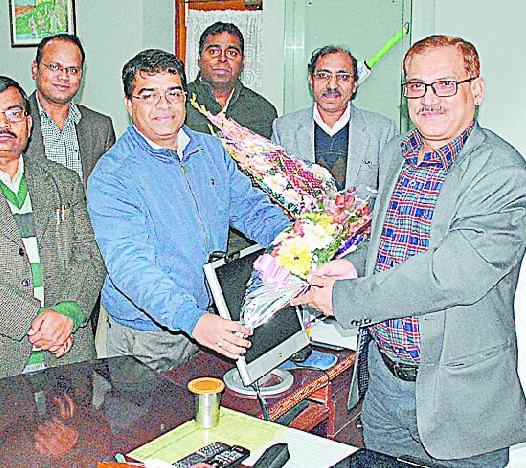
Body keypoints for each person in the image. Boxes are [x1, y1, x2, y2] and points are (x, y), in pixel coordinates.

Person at [293, 36, 526, 466]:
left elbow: (448, 276)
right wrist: (353, 266)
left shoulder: (503, 172)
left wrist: (344, 299)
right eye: (416, 86)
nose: (428, 99)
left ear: (477, 89)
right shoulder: (397, 152)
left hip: (459, 402)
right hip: (384, 389)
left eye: (445, 84)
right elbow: (389, 241)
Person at [87, 49, 289, 372]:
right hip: (148, 336)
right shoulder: (113, 175)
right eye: (148, 95)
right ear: (129, 104)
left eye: (173, 93)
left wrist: (294, 244)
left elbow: (251, 208)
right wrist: (192, 319)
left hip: (209, 318)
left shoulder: (210, 149)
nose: (164, 105)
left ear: (184, 96)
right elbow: (131, 266)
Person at [0, 76, 105, 397]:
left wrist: (68, 313)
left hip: (66, 357)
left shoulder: (63, 181)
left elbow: (89, 255)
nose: (2, 124)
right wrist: (37, 322)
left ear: (28, 123)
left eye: (13, 113)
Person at [272, 46, 398, 203]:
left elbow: (390, 197)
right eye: (323, 75)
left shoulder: (382, 131)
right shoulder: (284, 130)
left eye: (343, 77)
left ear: (355, 84)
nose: (332, 85)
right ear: (311, 80)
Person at [26, 33, 115, 188]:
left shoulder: (100, 127)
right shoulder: (15, 122)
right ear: (35, 69)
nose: (64, 77)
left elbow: (110, 188)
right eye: (54, 67)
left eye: (72, 70)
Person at [185, 21, 277, 139]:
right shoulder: (180, 103)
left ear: (242, 63)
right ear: (199, 59)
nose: (222, 58)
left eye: (231, 53)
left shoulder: (262, 111)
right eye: (213, 51)